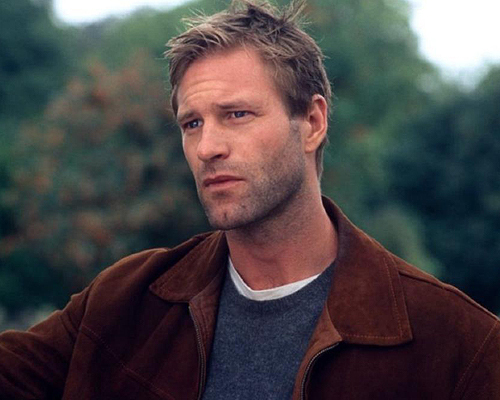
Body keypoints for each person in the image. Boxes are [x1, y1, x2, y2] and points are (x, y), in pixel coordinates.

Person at [1, 0, 499, 399]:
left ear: (312, 123)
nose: (207, 147)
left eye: (236, 114)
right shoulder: (124, 302)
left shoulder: (458, 343)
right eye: (192, 123)